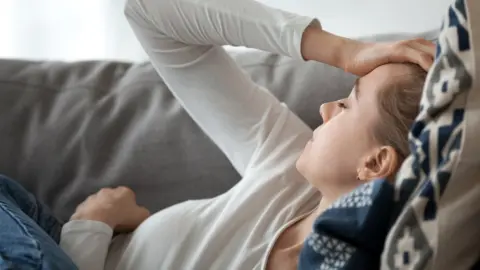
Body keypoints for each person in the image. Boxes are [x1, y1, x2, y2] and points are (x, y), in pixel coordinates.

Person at [0, 0, 435, 269]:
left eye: (347, 104)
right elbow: (152, 11)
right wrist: (343, 50)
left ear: (375, 162)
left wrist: (90, 229)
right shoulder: (283, 166)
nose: (324, 107)